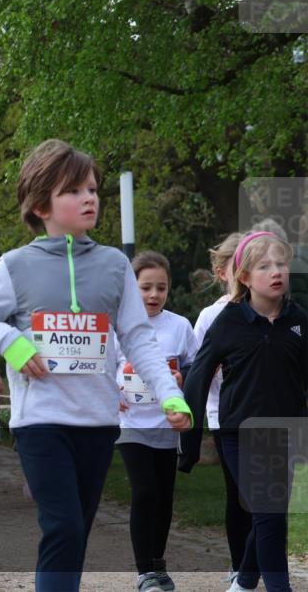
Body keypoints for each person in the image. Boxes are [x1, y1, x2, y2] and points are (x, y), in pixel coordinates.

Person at [0, 139, 191, 592]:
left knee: (77, 533)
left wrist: (170, 393)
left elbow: (138, 339)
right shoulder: (16, 265)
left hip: (98, 422)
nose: (90, 198)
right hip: (41, 422)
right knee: (64, 527)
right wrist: (14, 345)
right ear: (41, 203)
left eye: (92, 189)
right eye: (74, 190)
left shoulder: (114, 266)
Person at [180, 231, 306, 592]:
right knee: (268, 512)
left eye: (281, 263)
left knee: (271, 513)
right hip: (239, 432)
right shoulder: (228, 321)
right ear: (245, 277)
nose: (277, 271)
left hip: (286, 432)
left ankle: (245, 581)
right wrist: (188, 433)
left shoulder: (299, 320)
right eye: (265, 266)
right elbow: (199, 375)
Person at [116, 251, 197, 591]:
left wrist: (181, 380)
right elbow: (103, 365)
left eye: (160, 288)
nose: (153, 295)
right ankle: (144, 571)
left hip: (166, 424)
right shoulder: (119, 324)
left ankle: (158, 565)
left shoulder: (179, 326)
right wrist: (112, 393)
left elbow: (194, 366)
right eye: (145, 287)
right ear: (132, 288)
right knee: (145, 490)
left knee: (164, 497)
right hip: (131, 422)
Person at [192, 232, 250, 584]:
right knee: (239, 493)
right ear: (221, 272)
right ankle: (239, 564)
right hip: (224, 414)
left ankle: (256, 564)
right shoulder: (210, 316)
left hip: (264, 413)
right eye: (238, 266)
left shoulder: (272, 309)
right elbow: (198, 367)